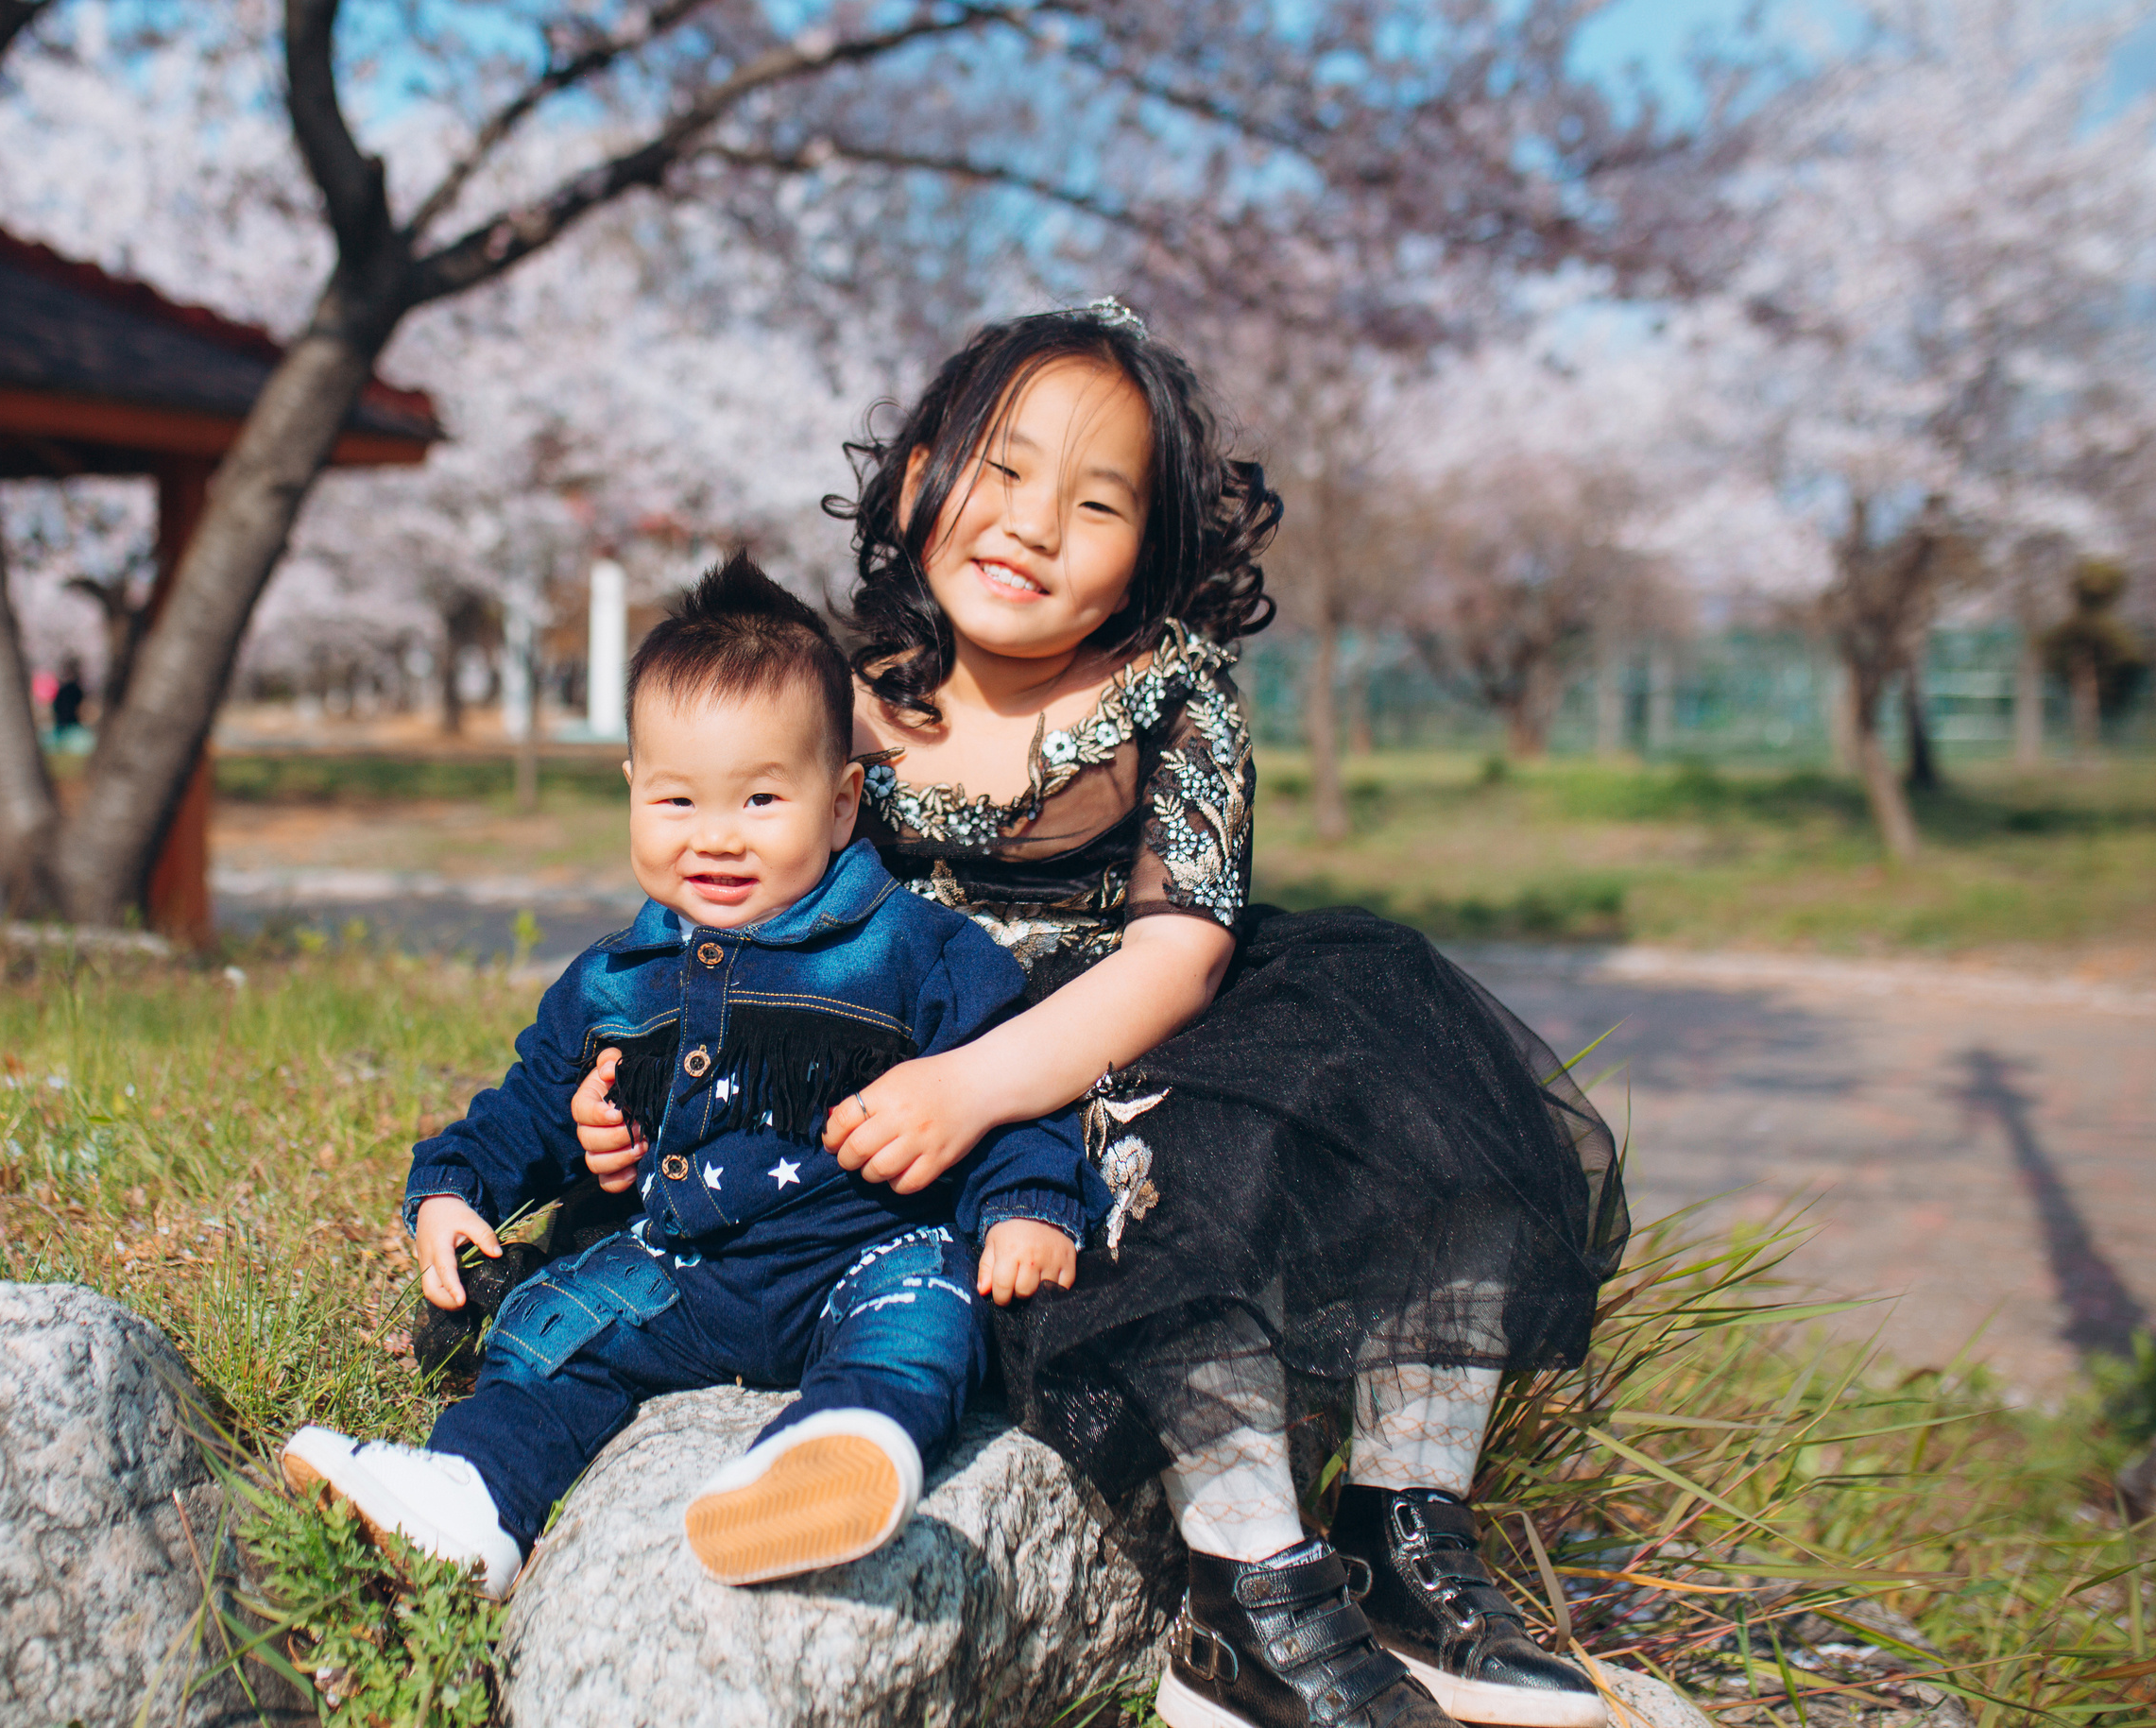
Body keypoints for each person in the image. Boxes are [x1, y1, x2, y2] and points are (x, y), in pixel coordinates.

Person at [570, 306, 1632, 1728]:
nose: (1032, 527)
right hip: (910, 1058)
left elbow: (1178, 959)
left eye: (1097, 501)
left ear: (1160, 546)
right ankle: (1248, 1596)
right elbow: (719, 918)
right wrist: (628, 1090)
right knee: (1132, 1192)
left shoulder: (1170, 693)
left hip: (1128, 1033)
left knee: (1407, 1092)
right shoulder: (831, 698)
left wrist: (983, 1085)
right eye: (1000, 472)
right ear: (915, 477)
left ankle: (1402, 1534)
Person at [282, 555, 1100, 1600]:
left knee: (923, 1313)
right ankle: (472, 1496)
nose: (715, 836)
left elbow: (1006, 1084)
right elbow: (528, 1101)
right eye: (676, 798)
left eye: (762, 797)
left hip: (854, 1250)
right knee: (554, 1333)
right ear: (632, 789)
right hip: (680, 1264)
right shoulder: (618, 978)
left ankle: (837, 1446)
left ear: (843, 802)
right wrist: (453, 1189)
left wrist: (1027, 1207)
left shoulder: (911, 949)